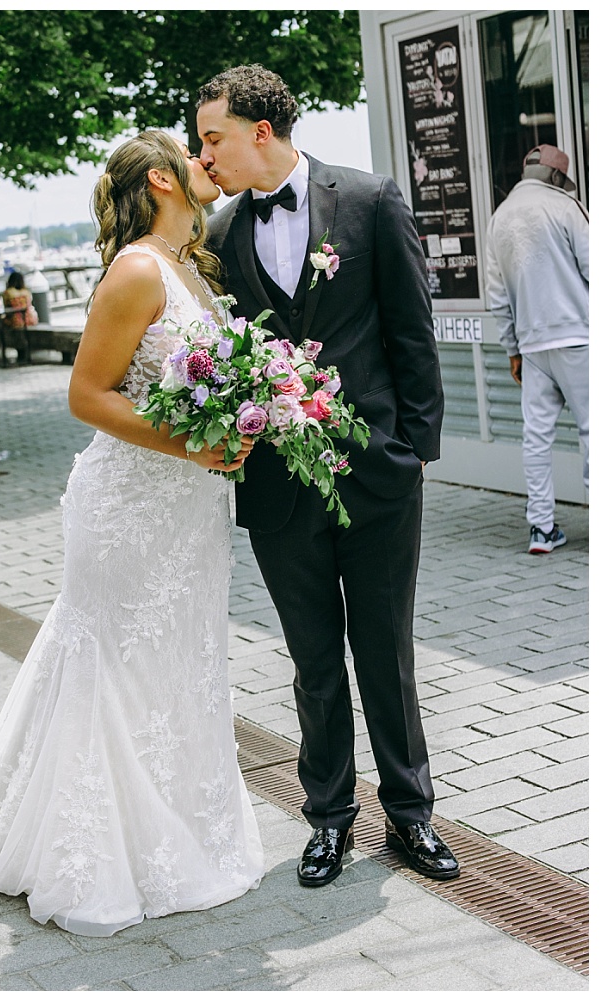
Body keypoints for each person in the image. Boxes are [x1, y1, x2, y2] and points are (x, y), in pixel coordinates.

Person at [0, 130, 266, 936]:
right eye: (199, 156)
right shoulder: (137, 269)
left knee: (181, 661)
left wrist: (238, 427)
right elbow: (86, 395)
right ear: (165, 179)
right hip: (129, 504)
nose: (215, 167)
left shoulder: (193, 271)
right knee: (114, 665)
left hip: (189, 508)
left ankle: (185, 831)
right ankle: (96, 850)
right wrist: (194, 443)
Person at [197, 64, 458, 886]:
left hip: (376, 473)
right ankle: (329, 819)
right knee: (312, 658)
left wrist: (413, 451)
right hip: (276, 487)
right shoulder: (219, 231)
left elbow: (413, 334)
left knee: (386, 650)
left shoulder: (373, 202)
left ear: (260, 132)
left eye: (214, 138)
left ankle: (411, 817)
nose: (206, 155)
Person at [482, 144, 589, 554]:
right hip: (578, 335)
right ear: (558, 177)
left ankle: (541, 529)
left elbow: (497, 296)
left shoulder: (499, 217)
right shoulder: (565, 207)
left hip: (531, 343)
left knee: (537, 437)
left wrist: (513, 349)